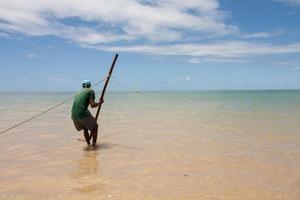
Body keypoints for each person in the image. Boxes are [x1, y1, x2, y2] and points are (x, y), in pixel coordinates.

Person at [71, 80, 103, 146]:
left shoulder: (78, 92)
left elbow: (79, 105)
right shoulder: (90, 91)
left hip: (73, 115)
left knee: (85, 128)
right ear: (89, 86)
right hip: (81, 113)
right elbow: (92, 105)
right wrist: (100, 103)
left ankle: (88, 145)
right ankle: (94, 146)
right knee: (95, 127)